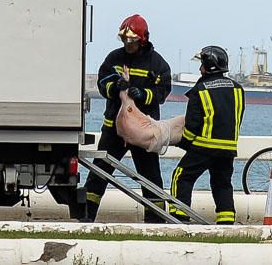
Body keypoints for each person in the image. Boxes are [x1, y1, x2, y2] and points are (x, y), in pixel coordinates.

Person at [82, 14, 171, 223]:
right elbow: (103, 84)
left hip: (142, 131)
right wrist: (115, 88)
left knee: (150, 178)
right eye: (124, 41)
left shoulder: (158, 64)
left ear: (142, 39)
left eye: (131, 41)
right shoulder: (114, 58)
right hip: (114, 129)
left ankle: (156, 221)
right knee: (99, 173)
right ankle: (85, 217)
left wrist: (143, 94)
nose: (127, 45)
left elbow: (162, 92)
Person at [169, 46, 245, 225]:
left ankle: (179, 215)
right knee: (222, 183)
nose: (200, 68)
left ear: (209, 66)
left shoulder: (200, 89)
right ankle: (226, 221)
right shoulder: (237, 89)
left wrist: (184, 143)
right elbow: (237, 118)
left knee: (182, 175)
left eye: (202, 64)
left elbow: (193, 124)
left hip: (204, 146)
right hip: (228, 149)